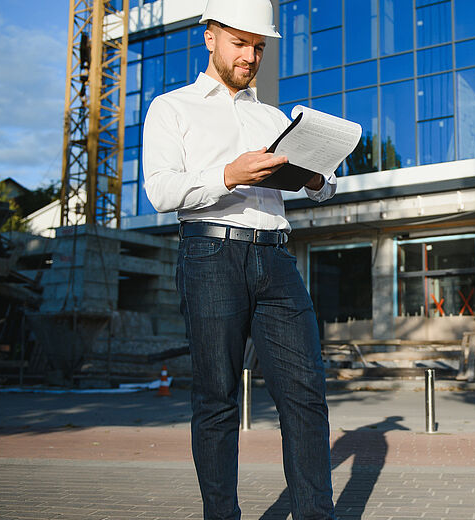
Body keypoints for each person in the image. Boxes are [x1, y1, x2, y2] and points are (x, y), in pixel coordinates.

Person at [142, 0, 337, 518]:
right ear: (210, 38)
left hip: (276, 259)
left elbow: (324, 183)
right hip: (209, 254)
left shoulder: (274, 117)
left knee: (305, 395)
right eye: (240, 43)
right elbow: (160, 191)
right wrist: (229, 174)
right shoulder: (171, 108)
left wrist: (318, 179)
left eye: (259, 46)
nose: (251, 56)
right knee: (216, 398)